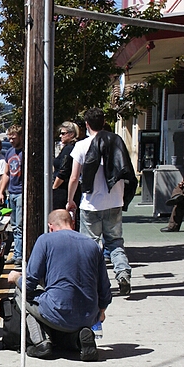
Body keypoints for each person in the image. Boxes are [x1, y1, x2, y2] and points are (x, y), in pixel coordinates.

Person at [7, 208, 112, 361]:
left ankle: (41, 342)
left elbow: (29, 283)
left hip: (58, 312)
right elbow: (104, 288)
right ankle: (79, 339)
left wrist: (16, 278)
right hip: (89, 315)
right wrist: (101, 311)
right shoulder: (93, 245)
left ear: (50, 227)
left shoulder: (45, 240)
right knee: (66, 315)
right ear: (73, 223)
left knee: (21, 293)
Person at [65, 108, 136, 296]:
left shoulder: (81, 146)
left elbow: (74, 178)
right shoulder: (117, 142)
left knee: (90, 246)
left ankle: (93, 283)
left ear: (87, 125)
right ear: (103, 122)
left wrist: (70, 200)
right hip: (114, 201)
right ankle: (122, 273)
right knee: (115, 242)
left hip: (90, 203)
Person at [0, 125, 24, 267]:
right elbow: (7, 173)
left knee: (19, 225)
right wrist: (2, 191)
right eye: (9, 138)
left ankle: (19, 255)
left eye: (14, 137)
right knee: (13, 225)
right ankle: (17, 254)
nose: (11, 140)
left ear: (20, 136)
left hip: (21, 192)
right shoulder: (9, 152)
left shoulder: (24, 153)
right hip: (12, 192)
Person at [52, 122, 79, 211]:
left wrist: (54, 187)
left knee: (60, 218)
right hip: (69, 189)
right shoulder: (74, 147)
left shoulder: (68, 149)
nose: (60, 136)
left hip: (62, 190)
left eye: (63, 133)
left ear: (71, 134)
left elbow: (63, 171)